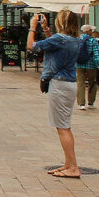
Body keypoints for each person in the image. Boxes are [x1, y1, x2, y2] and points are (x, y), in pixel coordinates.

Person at [29, 10, 82, 178]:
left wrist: (32, 27)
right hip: (69, 84)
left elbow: (32, 46)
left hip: (60, 84)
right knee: (65, 125)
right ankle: (69, 164)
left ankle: (73, 167)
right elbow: (53, 44)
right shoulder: (74, 39)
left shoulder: (60, 39)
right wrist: (46, 29)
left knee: (63, 127)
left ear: (62, 22)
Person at [76, 24, 99, 111]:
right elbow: (97, 54)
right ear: (88, 31)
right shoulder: (93, 41)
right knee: (92, 82)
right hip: (91, 65)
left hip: (79, 64)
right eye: (91, 30)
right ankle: (90, 103)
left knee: (80, 83)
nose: (92, 32)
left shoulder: (77, 39)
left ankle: (81, 103)